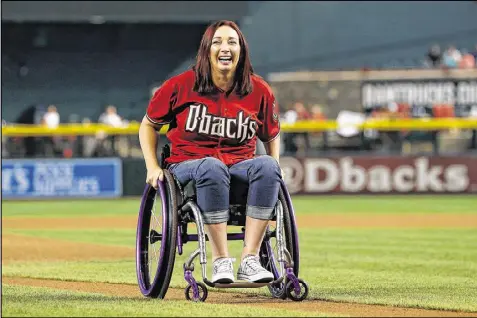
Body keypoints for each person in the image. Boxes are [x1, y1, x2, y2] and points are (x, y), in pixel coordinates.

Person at [139, 20, 282, 284]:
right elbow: (149, 125)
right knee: (211, 167)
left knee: (269, 167)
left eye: (232, 42)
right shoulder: (180, 86)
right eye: (217, 42)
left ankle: (250, 259)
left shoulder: (259, 90)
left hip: (239, 165)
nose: (224, 47)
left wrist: (273, 166)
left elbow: (272, 135)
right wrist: (151, 166)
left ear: (242, 50)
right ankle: (221, 260)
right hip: (187, 165)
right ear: (206, 50)